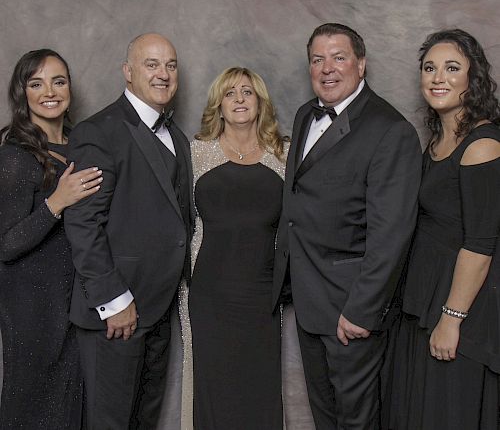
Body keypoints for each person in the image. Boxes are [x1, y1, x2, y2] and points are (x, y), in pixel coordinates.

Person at [272, 23, 422, 429]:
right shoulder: (306, 115)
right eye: (317, 60)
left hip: (351, 308)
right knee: (324, 415)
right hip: (308, 299)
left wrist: (361, 310)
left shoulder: (391, 131)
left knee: (356, 421)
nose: (327, 69)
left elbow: (392, 235)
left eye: (339, 58)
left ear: (361, 64)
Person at [64, 33, 194, 429]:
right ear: (128, 72)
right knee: (111, 422)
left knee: (145, 420)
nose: (163, 74)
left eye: (170, 65)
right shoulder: (99, 131)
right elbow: (84, 223)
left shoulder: (176, 137)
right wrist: (112, 300)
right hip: (116, 313)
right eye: (151, 64)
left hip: (159, 307)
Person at [388, 29, 500, 429]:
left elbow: (481, 244)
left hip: (461, 309)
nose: (438, 77)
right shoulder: (439, 139)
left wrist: (452, 320)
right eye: (429, 68)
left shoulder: (483, 145)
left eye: (452, 68)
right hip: (425, 296)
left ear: (474, 78)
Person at [179, 67, 288, 429]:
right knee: (213, 388)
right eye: (230, 93)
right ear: (218, 105)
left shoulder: (283, 155)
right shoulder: (195, 154)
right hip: (208, 294)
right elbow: (180, 225)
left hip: (262, 298)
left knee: (259, 390)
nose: (239, 99)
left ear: (260, 102)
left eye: (247, 92)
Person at [0, 49, 102, 428]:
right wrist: (56, 202)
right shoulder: (14, 156)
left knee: (73, 406)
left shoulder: (81, 144)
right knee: (33, 407)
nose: (50, 91)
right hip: (31, 308)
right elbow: (6, 245)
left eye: (59, 81)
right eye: (36, 83)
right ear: (21, 92)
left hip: (74, 300)